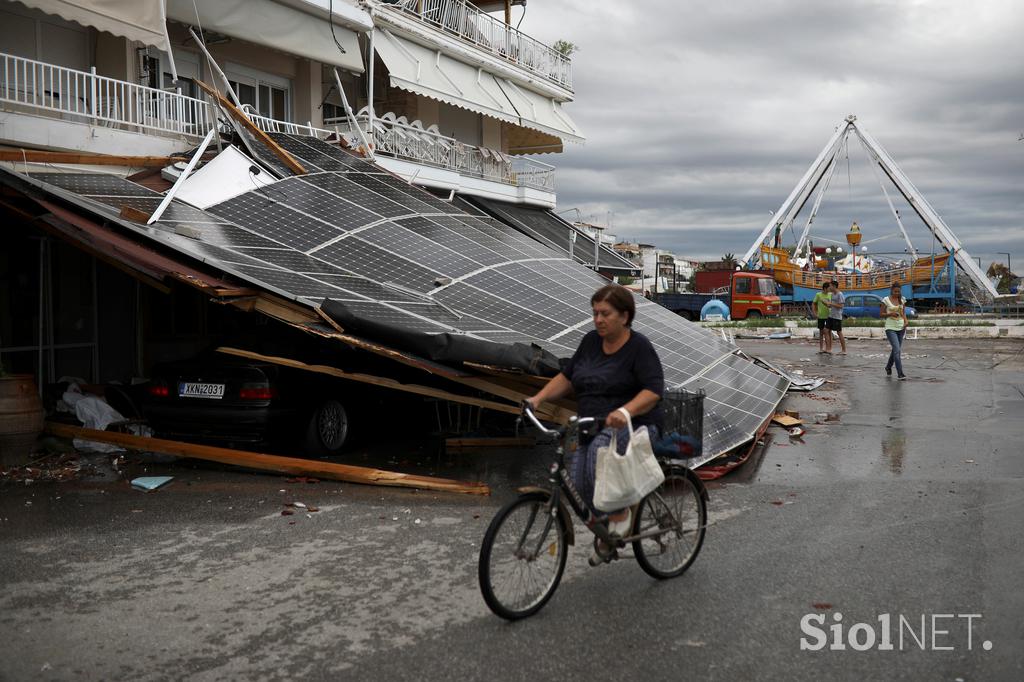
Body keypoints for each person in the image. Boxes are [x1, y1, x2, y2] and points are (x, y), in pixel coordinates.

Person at [525, 284, 664, 565]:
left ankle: (620, 515)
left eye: (605, 313)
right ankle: (607, 532)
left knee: (599, 462)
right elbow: (567, 377)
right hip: (591, 423)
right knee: (580, 485)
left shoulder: (639, 347)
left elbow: (653, 390)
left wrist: (624, 411)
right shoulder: (590, 342)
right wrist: (537, 399)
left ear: (624, 317)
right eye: (595, 313)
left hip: (632, 426)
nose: (598, 319)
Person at [880, 283, 908, 379]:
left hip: (901, 327)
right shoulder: (885, 300)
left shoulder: (902, 299)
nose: (896, 293)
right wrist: (890, 314)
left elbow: (903, 313)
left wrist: (906, 321)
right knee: (897, 350)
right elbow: (881, 314)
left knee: (895, 350)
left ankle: (888, 367)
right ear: (891, 290)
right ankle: (900, 373)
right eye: (895, 291)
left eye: (898, 291)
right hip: (890, 328)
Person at [827, 279, 847, 354]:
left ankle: (844, 350)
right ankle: (829, 348)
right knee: (826, 330)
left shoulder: (840, 294)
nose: (829, 288)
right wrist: (828, 304)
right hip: (831, 315)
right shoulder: (832, 294)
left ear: (834, 286)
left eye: (830, 286)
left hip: (837, 316)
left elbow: (841, 306)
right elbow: (833, 305)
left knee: (839, 332)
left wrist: (831, 304)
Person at [812, 282, 832, 353]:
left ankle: (828, 348)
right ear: (825, 288)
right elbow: (814, 304)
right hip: (821, 316)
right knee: (821, 333)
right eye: (829, 288)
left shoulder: (830, 295)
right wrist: (814, 313)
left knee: (829, 332)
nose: (830, 289)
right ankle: (821, 348)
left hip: (829, 316)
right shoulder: (818, 295)